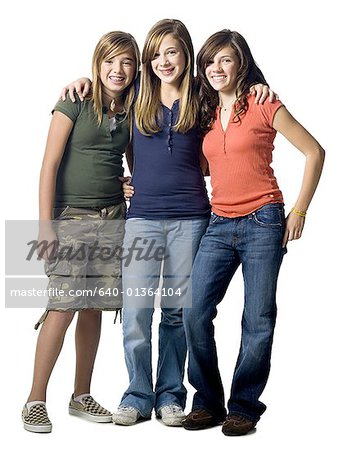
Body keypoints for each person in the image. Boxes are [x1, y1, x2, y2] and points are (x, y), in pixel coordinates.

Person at [61, 20, 274, 427]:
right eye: (156, 53)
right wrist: (80, 81)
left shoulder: (201, 92)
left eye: (172, 52)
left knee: (177, 313)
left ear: (187, 55)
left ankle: (171, 394)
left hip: (192, 218)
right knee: (137, 311)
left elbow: (236, 84)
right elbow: (106, 83)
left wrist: (261, 86)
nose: (164, 61)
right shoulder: (138, 89)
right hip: (142, 218)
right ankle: (138, 393)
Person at [181, 29, 325, 436]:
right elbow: (209, 165)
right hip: (218, 222)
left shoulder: (265, 104)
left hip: (264, 219)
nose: (216, 68)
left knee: (258, 318)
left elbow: (315, 152)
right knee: (194, 312)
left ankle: (243, 406)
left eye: (225, 59)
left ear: (241, 62)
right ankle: (208, 402)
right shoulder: (206, 112)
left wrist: (299, 210)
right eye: (210, 62)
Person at [21, 31, 140, 433]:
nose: (117, 70)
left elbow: (132, 163)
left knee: (93, 308)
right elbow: (48, 166)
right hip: (70, 217)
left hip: (113, 217)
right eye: (110, 61)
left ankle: (81, 395)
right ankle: (35, 399)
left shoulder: (131, 111)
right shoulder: (74, 101)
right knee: (63, 306)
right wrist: (45, 227)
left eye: (126, 62)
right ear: (97, 63)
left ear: (135, 68)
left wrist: (129, 184)